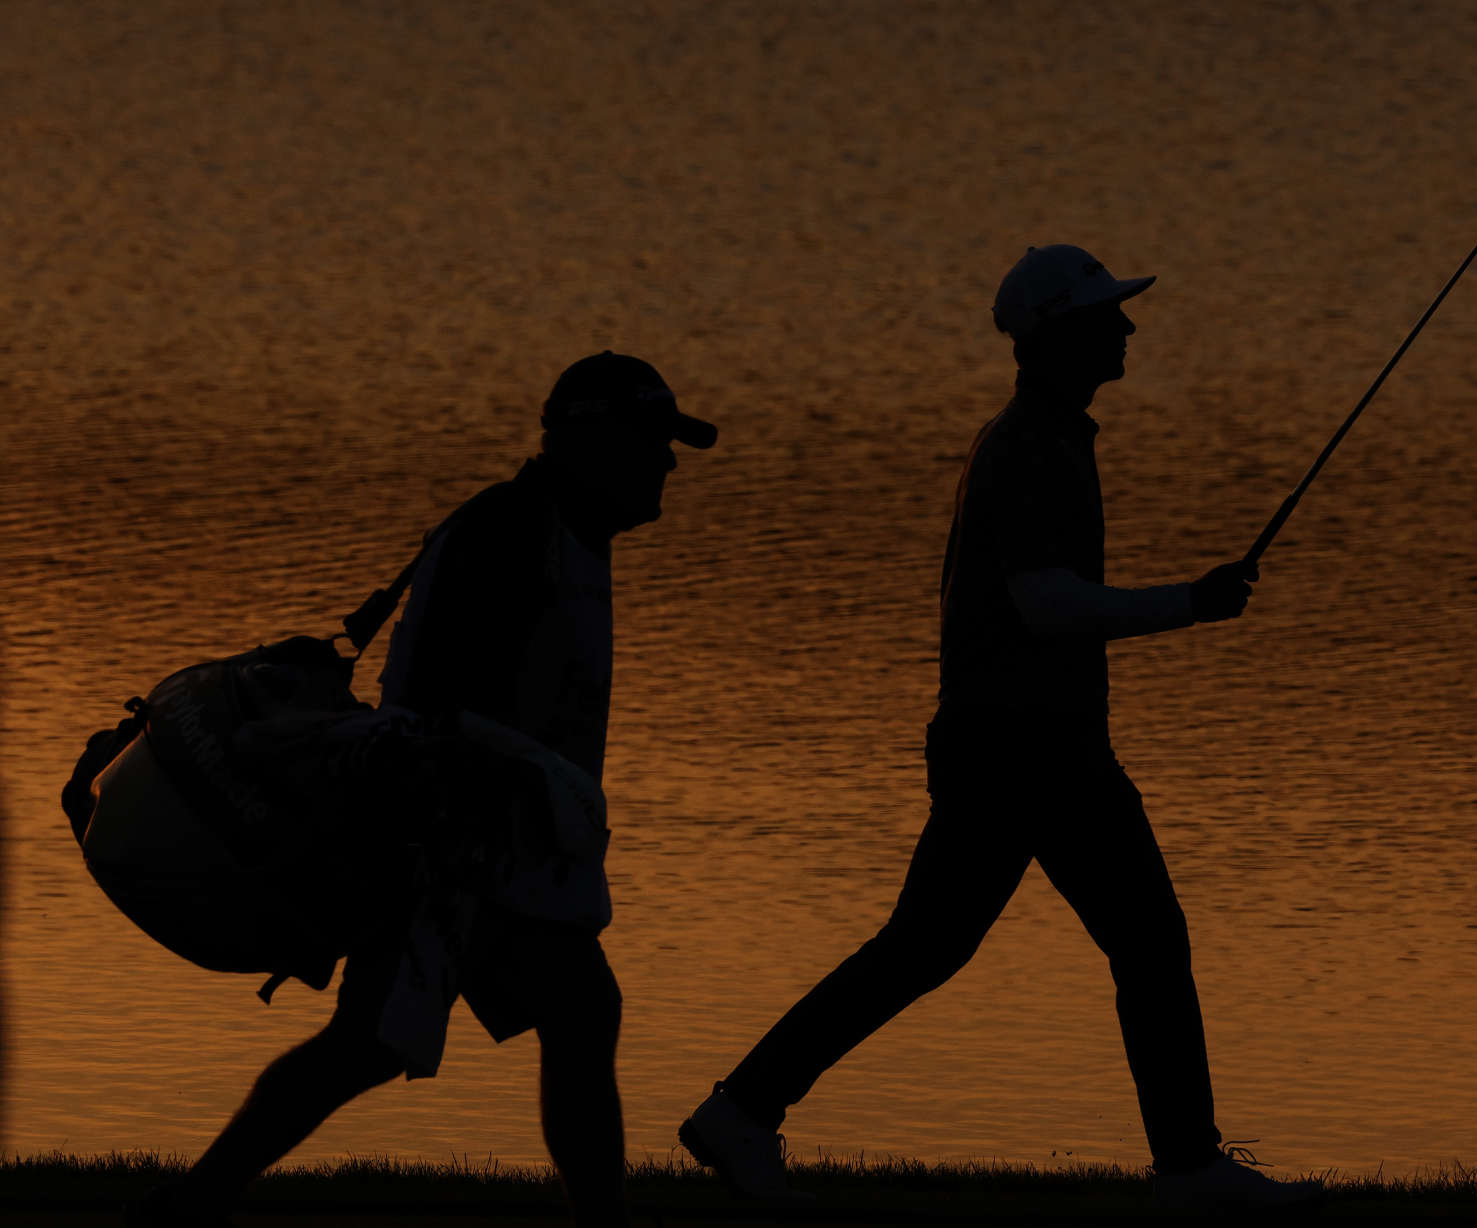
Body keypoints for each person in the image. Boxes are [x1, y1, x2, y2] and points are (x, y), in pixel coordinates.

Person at [679, 247, 1320, 1212]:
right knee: (1127, 940)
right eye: (1105, 316)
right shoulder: (1027, 449)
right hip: (1026, 752)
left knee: (944, 946)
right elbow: (1046, 606)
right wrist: (1188, 603)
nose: (1127, 327)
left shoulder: (1048, 436)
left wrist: (1184, 605)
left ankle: (741, 1110)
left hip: (1028, 744)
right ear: (1057, 334)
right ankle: (1189, 1170)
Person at [134, 352, 716, 1228]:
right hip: (446, 838)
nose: (667, 461)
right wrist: (448, 827)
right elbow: (436, 702)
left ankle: (193, 1203)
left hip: (501, 842)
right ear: (591, 442)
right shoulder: (508, 532)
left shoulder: (562, 532)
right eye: (651, 440)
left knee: (567, 1013)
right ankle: (192, 1204)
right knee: (380, 1042)